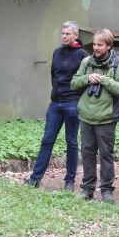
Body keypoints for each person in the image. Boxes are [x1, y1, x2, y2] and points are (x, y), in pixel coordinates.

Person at [26, 21, 89, 191]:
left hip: (72, 102)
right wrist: (56, 93)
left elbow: (85, 79)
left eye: (67, 33)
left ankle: (69, 181)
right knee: (47, 140)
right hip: (56, 103)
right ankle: (35, 178)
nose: (64, 36)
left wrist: (77, 98)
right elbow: (53, 75)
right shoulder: (57, 52)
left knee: (71, 141)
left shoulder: (83, 55)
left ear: (76, 35)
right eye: (62, 33)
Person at [70, 29, 119, 202]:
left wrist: (104, 79)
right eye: (94, 44)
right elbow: (73, 83)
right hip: (86, 117)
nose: (95, 47)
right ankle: (87, 189)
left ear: (109, 46)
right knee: (87, 154)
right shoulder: (86, 62)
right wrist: (87, 78)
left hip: (106, 119)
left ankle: (106, 191)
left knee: (106, 156)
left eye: (99, 45)